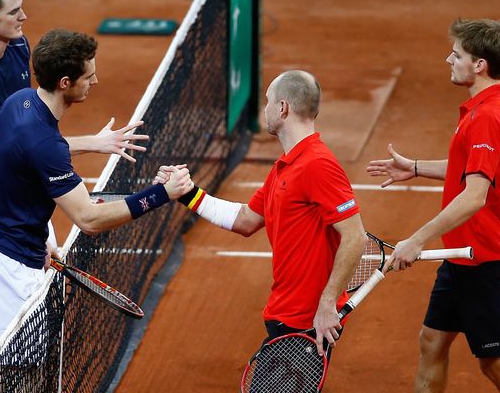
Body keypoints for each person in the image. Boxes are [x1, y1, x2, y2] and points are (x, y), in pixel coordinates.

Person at [0, 0, 148, 386]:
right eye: (14, 12)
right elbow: (17, 142)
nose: (24, 18)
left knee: (15, 321)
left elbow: (32, 124)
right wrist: (92, 142)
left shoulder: (20, 49)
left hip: (15, 195)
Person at [0, 29, 193, 378]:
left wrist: (93, 144)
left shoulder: (19, 103)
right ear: (66, 82)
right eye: (89, 75)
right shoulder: (45, 145)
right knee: (19, 377)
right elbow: (89, 219)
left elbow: (29, 152)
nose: (95, 80)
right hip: (6, 266)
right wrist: (163, 194)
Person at [367, 18, 500, 392]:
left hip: (480, 257)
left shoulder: (488, 117)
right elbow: (470, 168)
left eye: (456, 54)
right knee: (432, 341)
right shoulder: (488, 106)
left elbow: (475, 195)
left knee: (497, 365)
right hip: (461, 256)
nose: (449, 59)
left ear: (479, 65)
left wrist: (416, 239)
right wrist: (413, 168)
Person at [156, 70, 366, 357]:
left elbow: (355, 237)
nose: (264, 109)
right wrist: (187, 192)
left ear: (283, 108)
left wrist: (328, 303)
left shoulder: (317, 165)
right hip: (284, 310)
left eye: (268, 101)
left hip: (304, 318)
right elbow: (245, 220)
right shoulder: (286, 166)